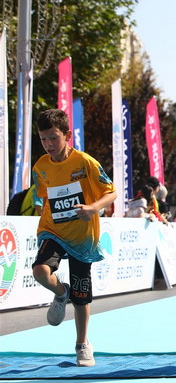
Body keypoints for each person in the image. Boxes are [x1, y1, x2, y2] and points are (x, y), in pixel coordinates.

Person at [31, 109, 117, 367]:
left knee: (81, 297)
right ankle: (60, 293)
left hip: (82, 237)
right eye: (43, 139)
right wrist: (40, 206)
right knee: (40, 271)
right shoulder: (40, 166)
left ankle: (82, 344)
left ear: (67, 135)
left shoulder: (85, 162)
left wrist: (93, 208)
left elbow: (111, 193)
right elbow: (41, 193)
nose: (48, 144)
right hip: (53, 230)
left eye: (53, 138)